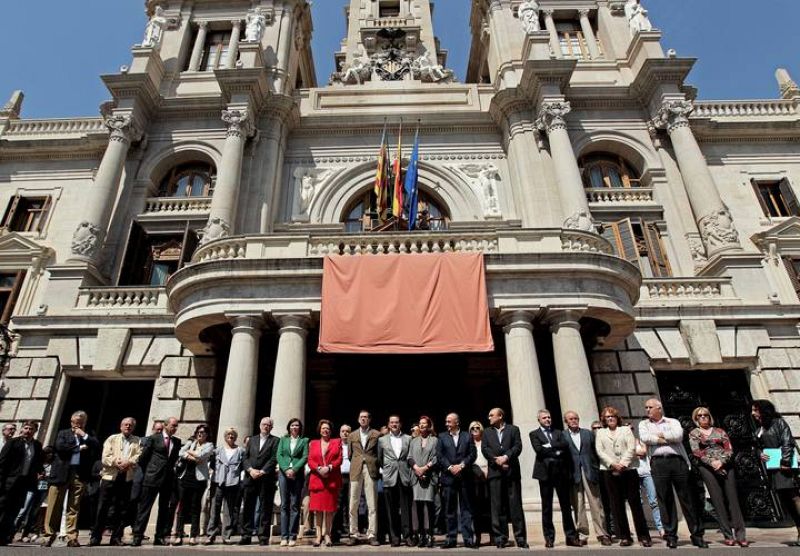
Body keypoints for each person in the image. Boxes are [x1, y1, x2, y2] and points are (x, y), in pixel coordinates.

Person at [639, 399, 706, 549]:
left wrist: (658, 437)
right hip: (658, 463)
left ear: (659, 408)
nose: (647, 410)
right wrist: (663, 437)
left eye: (650, 407)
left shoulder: (673, 421)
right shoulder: (643, 424)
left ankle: (697, 535)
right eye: (646, 407)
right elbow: (645, 438)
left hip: (677, 462)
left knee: (687, 499)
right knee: (664, 500)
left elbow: (678, 436)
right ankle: (671, 536)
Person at [688, 406, 747, 547]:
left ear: (710, 416)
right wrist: (713, 463)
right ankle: (728, 535)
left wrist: (721, 462)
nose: (703, 417)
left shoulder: (720, 431)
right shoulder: (694, 433)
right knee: (718, 501)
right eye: (699, 416)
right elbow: (696, 451)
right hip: (708, 468)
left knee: (733, 501)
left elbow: (729, 448)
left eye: (705, 415)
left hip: (726, 466)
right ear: (695, 419)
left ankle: (741, 535)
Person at [595, 407, 652, 547]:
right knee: (616, 505)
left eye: (612, 416)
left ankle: (644, 536)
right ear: (604, 419)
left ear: (617, 417)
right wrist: (613, 464)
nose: (610, 418)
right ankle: (625, 536)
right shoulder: (601, 432)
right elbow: (600, 451)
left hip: (628, 470)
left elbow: (631, 447)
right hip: (610, 471)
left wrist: (623, 463)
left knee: (635, 503)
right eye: (607, 417)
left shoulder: (625, 430)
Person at [42, 410, 99, 547]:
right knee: (54, 505)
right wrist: (79, 447)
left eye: (80, 423)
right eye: (74, 422)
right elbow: (60, 448)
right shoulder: (63, 433)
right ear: (71, 422)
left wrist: (84, 436)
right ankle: (48, 535)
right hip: (61, 473)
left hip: (79, 474)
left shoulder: (89, 435)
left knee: (74, 507)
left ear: (84, 423)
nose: (77, 425)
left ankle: (71, 537)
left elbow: (96, 446)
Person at [752, 399, 800, 546]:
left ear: (763, 410)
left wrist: (785, 461)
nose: (752, 413)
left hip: (785, 468)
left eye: (755, 410)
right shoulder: (759, 430)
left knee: (794, 497)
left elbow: (787, 441)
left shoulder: (779, 423)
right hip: (773, 470)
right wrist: (760, 454)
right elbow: (757, 447)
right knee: (786, 501)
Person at [530, 409, 581, 548]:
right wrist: (555, 450)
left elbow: (565, 446)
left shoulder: (559, 432)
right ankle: (549, 538)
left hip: (561, 473)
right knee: (547, 507)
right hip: (545, 474)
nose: (547, 419)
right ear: (539, 420)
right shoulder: (534, 434)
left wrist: (550, 446)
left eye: (549, 417)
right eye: (544, 418)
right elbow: (539, 450)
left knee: (566, 506)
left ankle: (571, 537)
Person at [90, 417, 141, 546]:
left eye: (130, 425)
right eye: (125, 424)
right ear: (120, 426)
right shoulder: (112, 439)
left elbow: (138, 456)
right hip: (110, 477)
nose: (128, 426)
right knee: (103, 507)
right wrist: (116, 462)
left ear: (133, 427)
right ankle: (96, 536)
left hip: (126, 477)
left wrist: (128, 462)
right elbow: (105, 456)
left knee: (121, 509)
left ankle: (116, 537)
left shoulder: (137, 441)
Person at [132, 416, 182, 546]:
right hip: (152, 478)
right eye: (173, 425)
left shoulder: (176, 442)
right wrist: (150, 471)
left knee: (164, 509)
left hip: (167, 480)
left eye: (176, 426)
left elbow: (174, 460)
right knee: (145, 508)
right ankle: (137, 535)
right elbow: (143, 458)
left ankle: (159, 536)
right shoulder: (154, 438)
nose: (175, 428)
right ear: (166, 425)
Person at [482, 407, 528, 549]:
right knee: (497, 507)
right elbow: (485, 449)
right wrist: (497, 461)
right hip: (495, 472)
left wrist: (506, 457)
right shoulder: (487, 432)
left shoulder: (513, 429)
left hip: (511, 472)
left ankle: (520, 538)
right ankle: (500, 538)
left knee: (515, 506)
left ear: (500, 416)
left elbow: (517, 446)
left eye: (491, 415)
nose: (489, 417)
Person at [563, 411, 611, 546]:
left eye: (576, 418)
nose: (574, 421)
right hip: (574, 473)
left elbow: (596, 453)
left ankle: (602, 534)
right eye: (571, 419)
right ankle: (582, 534)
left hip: (589, 471)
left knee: (596, 503)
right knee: (578, 505)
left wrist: (596, 469)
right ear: (566, 421)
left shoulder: (588, 434)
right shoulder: (563, 436)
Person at [438, 412, 477, 549]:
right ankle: (451, 539)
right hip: (448, 478)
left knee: (466, 509)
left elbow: (472, 454)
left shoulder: (467, 436)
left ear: (457, 422)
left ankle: (468, 539)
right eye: (446, 421)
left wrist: (461, 465)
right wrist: (450, 467)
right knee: (450, 510)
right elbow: (440, 455)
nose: (447, 424)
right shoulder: (442, 437)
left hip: (465, 477)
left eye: (449, 421)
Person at [0, 421, 43, 546]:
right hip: (9, 481)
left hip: (24, 483)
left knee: (14, 510)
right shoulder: (13, 443)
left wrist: (39, 472)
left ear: (35, 431)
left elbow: (37, 463)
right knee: (2, 509)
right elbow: (2, 463)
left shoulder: (37, 445)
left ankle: (5, 536)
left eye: (31, 429)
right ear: (22, 429)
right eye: (26, 428)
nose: (28, 430)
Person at [240, 416, 279, 546]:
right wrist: (250, 470)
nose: (266, 426)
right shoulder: (251, 440)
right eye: (264, 424)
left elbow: (274, 458)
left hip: (266, 478)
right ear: (260, 425)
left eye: (268, 425)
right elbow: (245, 458)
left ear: (271, 427)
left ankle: (263, 536)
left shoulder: (275, 440)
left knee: (265, 508)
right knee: (248, 508)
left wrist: (262, 471)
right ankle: (246, 535)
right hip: (250, 477)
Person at [343, 410, 380, 546]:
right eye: (361, 417)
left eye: (366, 417)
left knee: (372, 503)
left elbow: (379, 453)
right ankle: (353, 533)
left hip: (371, 469)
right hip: (356, 469)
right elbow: (350, 454)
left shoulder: (376, 434)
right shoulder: (352, 435)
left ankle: (372, 534)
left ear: (369, 419)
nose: (363, 419)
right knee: (353, 502)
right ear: (358, 420)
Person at [174, 424, 214, 545]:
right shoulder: (191, 442)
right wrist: (192, 456)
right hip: (186, 477)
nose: (200, 434)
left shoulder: (209, 445)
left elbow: (201, 456)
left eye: (203, 432)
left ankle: (193, 535)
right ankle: (179, 535)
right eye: (198, 432)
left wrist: (190, 454)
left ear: (207, 434)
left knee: (195, 507)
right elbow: (181, 452)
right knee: (182, 507)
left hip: (199, 479)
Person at [378, 415, 413, 547]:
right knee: (390, 509)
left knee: (406, 508)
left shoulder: (408, 438)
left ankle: (408, 536)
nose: (394, 424)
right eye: (392, 422)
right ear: (388, 424)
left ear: (400, 424)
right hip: (389, 477)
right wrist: (388, 470)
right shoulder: (382, 440)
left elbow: (410, 457)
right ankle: (395, 537)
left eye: (396, 422)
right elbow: (380, 459)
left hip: (404, 476)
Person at [206, 427, 245, 544]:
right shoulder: (218, 450)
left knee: (229, 509)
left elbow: (243, 465)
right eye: (228, 434)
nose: (230, 436)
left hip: (232, 482)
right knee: (215, 508)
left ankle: (226, 535)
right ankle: (211, 534)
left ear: (236, 437)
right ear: (225, 436)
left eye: (233, 435)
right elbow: (212, 464)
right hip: (218, 482)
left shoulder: (240, 451)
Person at [308, 419, 343, 547]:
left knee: (329, 509)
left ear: (330, 430)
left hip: (331, 479)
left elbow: (339, 458)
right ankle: (318, 536)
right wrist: (318, 468)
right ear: (320, 429)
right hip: (317, 479)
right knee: (317, 510)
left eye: (327, 428)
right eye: (323, 428)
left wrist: (329, 467)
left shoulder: (336, 442)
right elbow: (310, 459)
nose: (325, 430)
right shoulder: (313, 443)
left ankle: (327, 534)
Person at [277, 418, 309, 547]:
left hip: (297, 474)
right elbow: (279, 455)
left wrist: (294, 469)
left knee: (295, 505)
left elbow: (305, 456)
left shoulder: (304, 440)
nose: (295, 427)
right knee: (284, 505)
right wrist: (286, 469)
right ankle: (284, 536)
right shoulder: (283, 440)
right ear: (289, 427)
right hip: (283, 474)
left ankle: (292, 536)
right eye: (292, 425)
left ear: (300, 428)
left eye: (297, 425)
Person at [408, 416, 438, 548]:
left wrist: (425, 469)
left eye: (424, 424)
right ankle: (421, 536)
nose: (421, 426)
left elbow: (437, 457)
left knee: (430, 507)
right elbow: (409, 457)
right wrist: (417, 469)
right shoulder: (413, 441)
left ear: (429, 425)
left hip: (429, 476)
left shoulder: (435, 440)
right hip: (416, 477)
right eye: (420, 424)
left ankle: (430, 534)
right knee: (419, 507)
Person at [634, 438, 664, 537]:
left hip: (647, 473)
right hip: (633, 473)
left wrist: (636, 453)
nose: (629, 430)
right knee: (638, 504)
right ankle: (642, 530)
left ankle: (661, 528)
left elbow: (643, 452)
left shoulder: (642, 442)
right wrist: (637, 453)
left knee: (654, 501)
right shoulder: (625, 441)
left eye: (631, 428)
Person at [468, 420, 490, 546]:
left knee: (490, 508)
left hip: (489, 475)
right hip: (475, 478)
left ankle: (493, 536)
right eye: (472, 428)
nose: (475, 430)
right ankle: (478, 537)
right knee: (476, 510)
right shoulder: (468, 443)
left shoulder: (486, 442)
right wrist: (480, 472)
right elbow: (469, 460)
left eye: (477, 427)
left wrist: (487, 470)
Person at [331, 423, 351, 543]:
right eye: (343, 431)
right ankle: (335, 531)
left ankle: (348, 530)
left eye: (347, 431)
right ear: (339, 433)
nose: (345, 433)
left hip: (351, 477)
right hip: (338, 476)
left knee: (349, 505)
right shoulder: (335, 445)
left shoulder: (353, 445)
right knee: (337, 505)